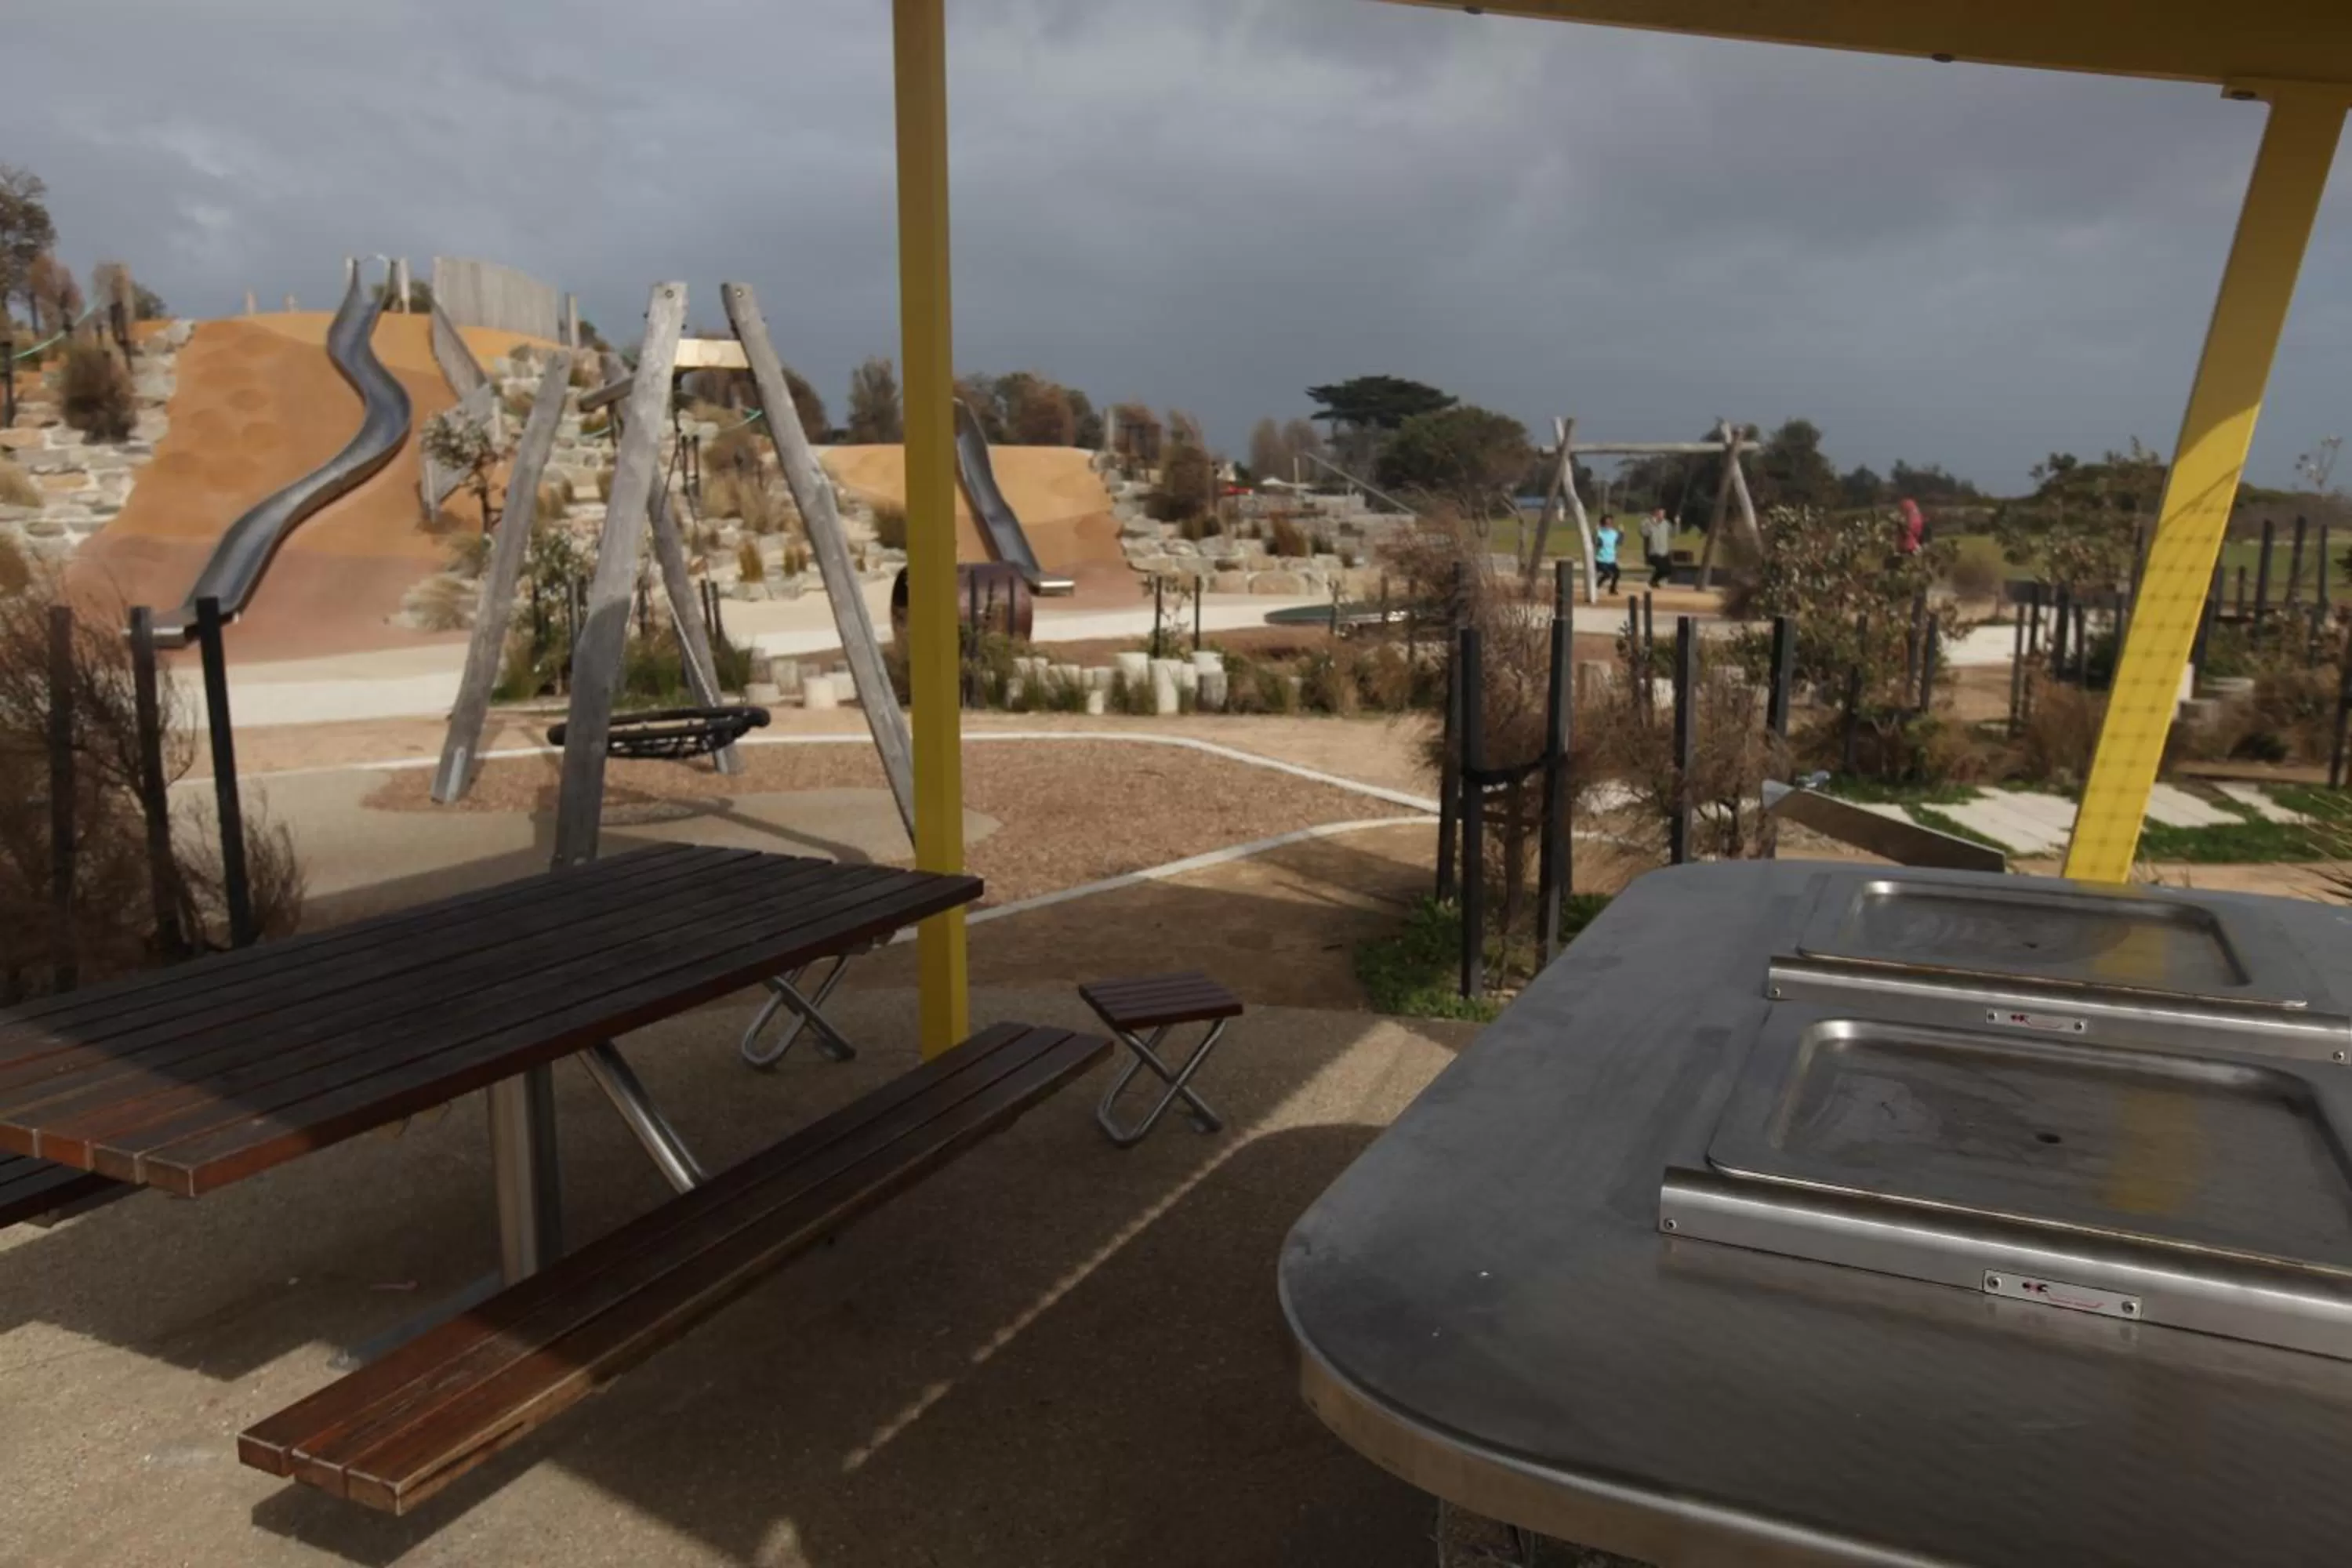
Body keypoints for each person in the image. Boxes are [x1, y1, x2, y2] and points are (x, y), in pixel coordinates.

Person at [1642, 508, 1676, 588]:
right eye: (1660, 514)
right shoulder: (1649, 523)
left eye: (1663, 514)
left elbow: (1673, 534)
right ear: (1656, 515)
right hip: (1654, 552)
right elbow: (1644, 533)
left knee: (1668, 571)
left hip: (1664, 552)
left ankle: (1654, 581)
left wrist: (1677, 524)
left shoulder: (1666, 524)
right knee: (1661, 569)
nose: (1662, 516)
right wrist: (1648, 523)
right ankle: (1653, 581)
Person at [1594, 514, 1623, 595]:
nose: (1609, 525)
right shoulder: (1599, 533)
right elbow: (1596, 543)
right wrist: (1596, 532)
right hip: (1601, 559)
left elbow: (1619, 542)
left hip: (1611, 559)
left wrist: (1621, 533)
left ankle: (1612, 589)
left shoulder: (1614, 533)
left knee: (1617, 574)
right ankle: (1596, 586)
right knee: (1607, 574)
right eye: (1607, 523)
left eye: (1610, 523)